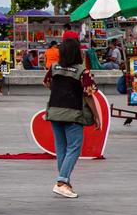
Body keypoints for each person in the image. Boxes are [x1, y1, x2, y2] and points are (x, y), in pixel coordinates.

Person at [43, 35, 101, 197]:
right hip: (73, 113)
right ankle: (61, 181)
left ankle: (65, 182)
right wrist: (96, 116)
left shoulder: (54, 68)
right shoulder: (83, 71)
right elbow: (89, 95)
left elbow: (47, 84)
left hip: (54, 112)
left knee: (61, 148)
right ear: (77, 53)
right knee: (74, 147)